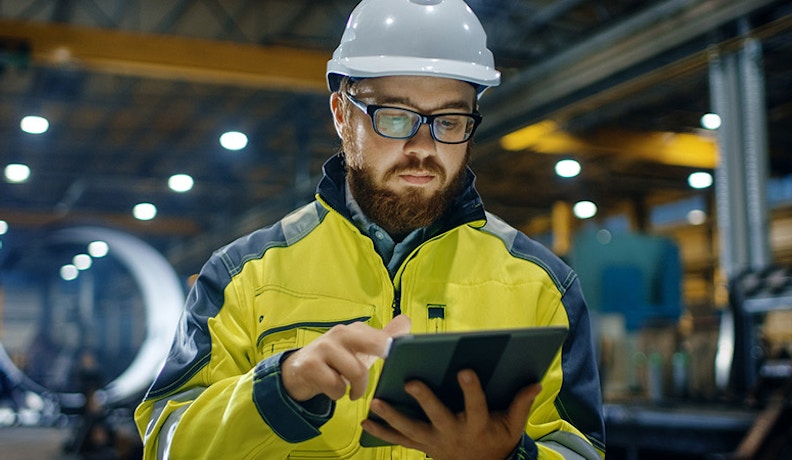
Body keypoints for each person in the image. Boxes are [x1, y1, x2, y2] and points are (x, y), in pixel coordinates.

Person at [134, 0, 606, 458]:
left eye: (449, 120)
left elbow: (579, 450)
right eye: (395, 117)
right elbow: (167, 443)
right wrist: (280, 387)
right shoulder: (243, 277)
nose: (423, 146)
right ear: (342, 115)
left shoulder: (543, 287)